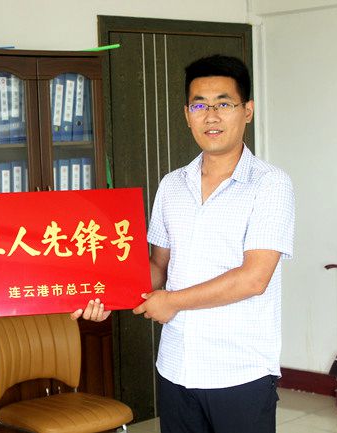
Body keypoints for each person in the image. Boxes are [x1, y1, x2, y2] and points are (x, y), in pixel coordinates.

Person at [134, 55, 294, 433]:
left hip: (239, 372)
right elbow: (158, 267)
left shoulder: (270, 185)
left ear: (247, 111)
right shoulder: (172, 185)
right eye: (199, 105)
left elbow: (254, 278)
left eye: (223, 104)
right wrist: (104, 292)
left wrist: (173, 301)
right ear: (187, 115)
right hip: (176, 366)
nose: (211, 116)